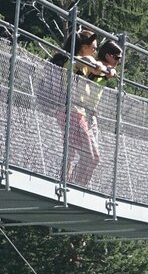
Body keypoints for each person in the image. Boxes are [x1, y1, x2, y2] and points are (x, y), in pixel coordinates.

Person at [47, 29, 103, 186]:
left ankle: (71, 184)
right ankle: (72, 186)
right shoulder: (72, 61)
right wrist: (95, 63)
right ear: (83, 47)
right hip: (69, 112)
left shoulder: (79, 63)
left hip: (76, 113)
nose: (95, 51)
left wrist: (100, 66)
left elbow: (97, 72)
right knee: (89, 156)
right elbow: (85, 62)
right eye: (93, 47)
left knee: (75, 152)